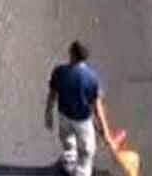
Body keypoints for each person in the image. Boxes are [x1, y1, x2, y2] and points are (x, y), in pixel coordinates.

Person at [45, 41, 114, 176]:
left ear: (71, 53)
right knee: (87, 149)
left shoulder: (59, 72)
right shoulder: (91, 78)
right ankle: (82, 171)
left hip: (63, 116)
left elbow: (52, 94)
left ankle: (69, 162)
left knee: (68, 141)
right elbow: (97, 107)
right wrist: (105, 131)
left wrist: (48, 112)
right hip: (82, 121)